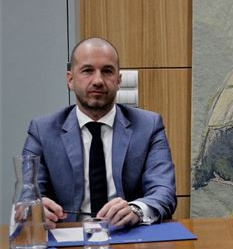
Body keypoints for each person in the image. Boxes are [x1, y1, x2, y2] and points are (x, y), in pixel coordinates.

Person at [23, 37, 177, 229]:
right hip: (68, 241)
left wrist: (136, 210)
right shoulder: (42, 130)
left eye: (107, 71)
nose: (98, 80)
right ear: (70, 80)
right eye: (87, 71)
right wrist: (36, 209)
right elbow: (28, 194)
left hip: (130, 237)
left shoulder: (149, 126)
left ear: (118, 80)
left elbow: (164, 191)